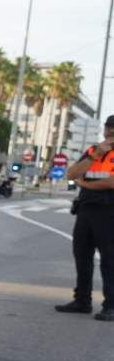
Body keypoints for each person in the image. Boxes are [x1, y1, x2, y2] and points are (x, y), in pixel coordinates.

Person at [58, 115, 114, 320]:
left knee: (109, 259)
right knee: (82, 256)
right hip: (86, 210)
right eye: (108, 128)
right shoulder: (93, 150)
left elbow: (111, 183)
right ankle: (82, 300)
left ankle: (111, 305)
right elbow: (71, 174)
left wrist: (85, 184)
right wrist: (94, 156)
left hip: (109, 212)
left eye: (113, 129)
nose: (110, 133)